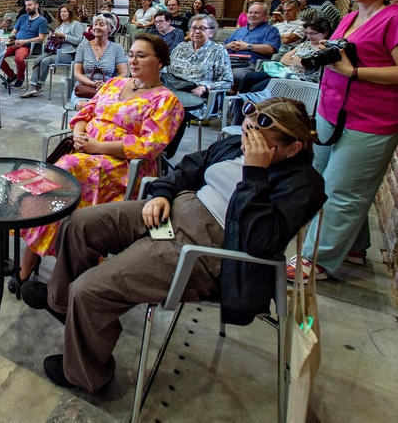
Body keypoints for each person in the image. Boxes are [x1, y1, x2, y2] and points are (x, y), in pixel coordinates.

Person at [22, 97, 325, 392]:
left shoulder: (303, 183)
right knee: (80, 224)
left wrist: (255, 173)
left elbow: (260, 242)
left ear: (292, 148)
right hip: (176, 209)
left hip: (207, 249)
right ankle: (60, 304)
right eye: (246, 131)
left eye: (259, 142)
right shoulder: (235, 144)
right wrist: (162, 194)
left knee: (89, 290)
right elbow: (188, 168)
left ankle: (87, 375)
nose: (247, 143)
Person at [14, 34, 184, 291]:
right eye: (131, 54)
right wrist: (79, 134)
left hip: (121, 166)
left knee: (61, 180)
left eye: (142, 55)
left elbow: (150, 146)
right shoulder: (115, 83)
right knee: (52, 186)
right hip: (83, 154)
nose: (133, 60)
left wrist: (99, 147)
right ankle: (32, 248)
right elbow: (86, 111)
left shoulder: (166, 100)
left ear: (160, 62)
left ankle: (36, 261)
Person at [288, 0, 398, 282]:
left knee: (342, 191)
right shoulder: (350, 18)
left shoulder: (392, 19)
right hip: (331, 112)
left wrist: (356, 72)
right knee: (325, 182)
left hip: (369, 120)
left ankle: (315, 261)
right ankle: (353, 248)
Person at [165, 14, 233, 117]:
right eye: (194, 28)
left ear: (211, 32)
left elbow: (227, 82)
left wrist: (205, 87)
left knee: (169, 113)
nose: (197, 31)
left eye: (202, 28)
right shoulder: (181, 47)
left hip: (199, 99)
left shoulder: (218, 50)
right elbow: (166, 69)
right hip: (174, 92)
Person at [21, 4, 84, 98]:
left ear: (70, 12)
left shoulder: (76, 24)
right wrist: (51, 37)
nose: (62, 14)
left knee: (45, 61)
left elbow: (79, 41)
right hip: (54, 51)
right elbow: (55, 41)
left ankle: (39, 85)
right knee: (37, 60)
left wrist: (64, 36)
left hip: (68, 53)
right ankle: (32, 86)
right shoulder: (60, 26)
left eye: (65, 11)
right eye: (61, 12)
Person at [71, 13, 128, 109]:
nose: (97, 27)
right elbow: (77, 73)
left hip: (108, 89)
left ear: (111, 28)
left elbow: (124, 73)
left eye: (101, 24)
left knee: (105, 107)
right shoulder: (83, 46)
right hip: (84, 89)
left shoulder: (117, 48)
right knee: (84, 106)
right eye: (95, 24)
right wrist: (93, 84)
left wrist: (105, 85)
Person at [224, 2, 281, 88]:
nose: (252, 15)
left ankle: (236, 98)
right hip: (229, 60)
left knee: (237, 75)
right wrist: (229, 46)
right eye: (250, 12)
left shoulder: (271, 30)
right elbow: (222, 46)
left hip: (250, 63)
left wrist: (248, 46)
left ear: (265, 15)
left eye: (256, 13)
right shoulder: (240, 30)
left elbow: (271, 49)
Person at [0, 0, 50, 87]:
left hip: (27, 45)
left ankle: (20, 77)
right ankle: (11, 75)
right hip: (15, 43)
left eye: (30, 5)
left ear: (37, 5)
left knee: (18, 58)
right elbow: (14, 30)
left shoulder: (42, 20)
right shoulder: (23, 17)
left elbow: (41, 38)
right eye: (26, 5)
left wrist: (25, 41)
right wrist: (12, 36)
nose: (27, 7)